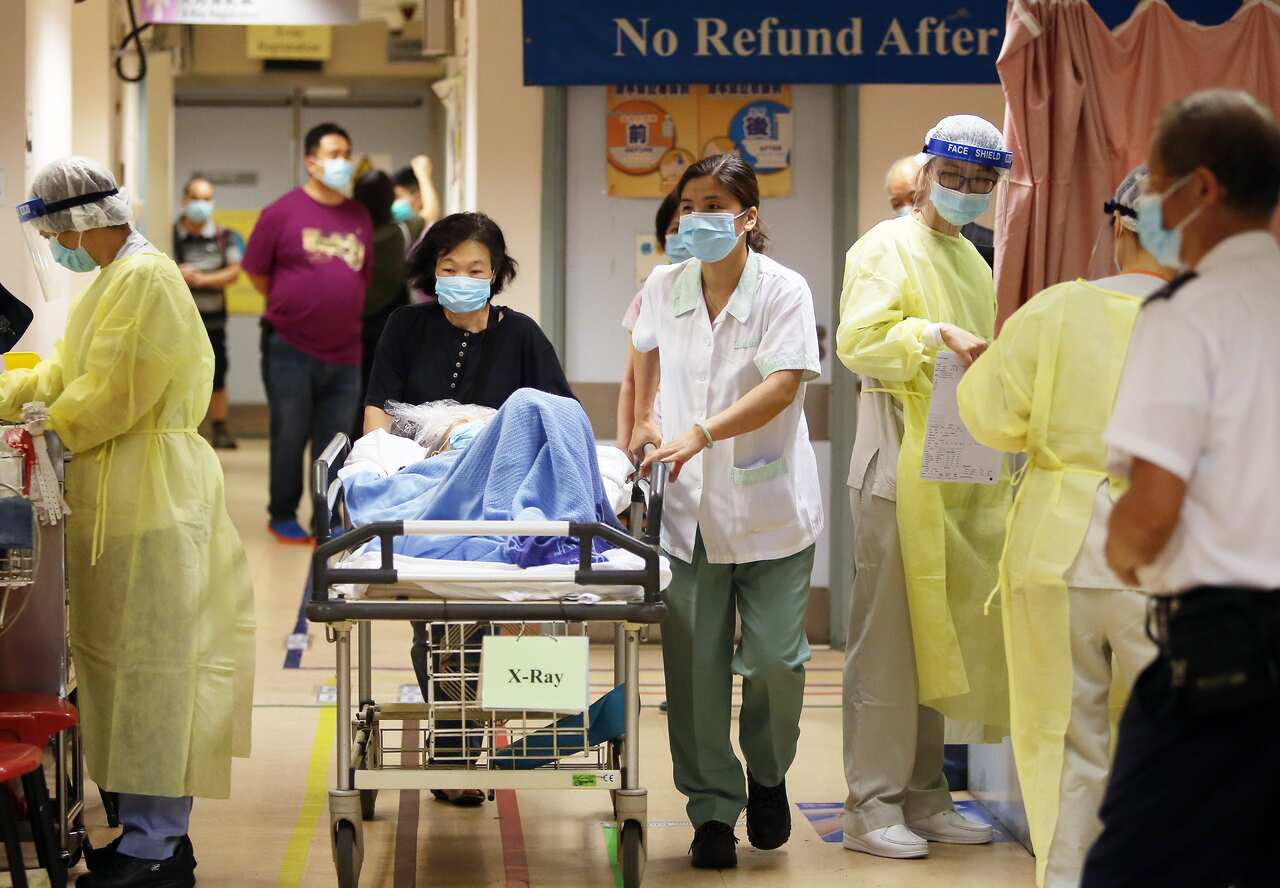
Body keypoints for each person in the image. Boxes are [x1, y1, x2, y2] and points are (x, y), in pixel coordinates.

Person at [10, 157, 255, 888]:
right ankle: (144, 835)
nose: (54, 243)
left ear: (81, 222)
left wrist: (47, 420)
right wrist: (11, 391)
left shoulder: (147, 279)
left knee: (156, 670)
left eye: (56, 229)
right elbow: (62, 374)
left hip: (154, 492)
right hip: (121, 491)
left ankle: (158, 847)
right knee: (121, 666)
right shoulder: (111, 283)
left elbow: (113, 394)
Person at [1080, 90, 1280, 888]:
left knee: (1134, 870)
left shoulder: (1188, 315)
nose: (1147, 207)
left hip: (1223, 659)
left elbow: (1151, 511)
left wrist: (1123, 550)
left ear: (1201, 189)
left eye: (1156, 185)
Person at [955, 166, 1170, 888]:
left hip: (1056, 549)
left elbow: (989, 418)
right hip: (1170, 556)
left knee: (1062, 738)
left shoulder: (1054, 312)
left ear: (1120, 226)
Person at [630, 154, 823, 870]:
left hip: (770, 505)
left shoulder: (783, 290)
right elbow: (643, 354)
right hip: (687, 512)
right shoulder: (664, 285)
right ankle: (712, 810)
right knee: (694, 674)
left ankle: (768, 772)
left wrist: (704, 430)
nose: (695, 217)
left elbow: (782, 386)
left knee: (774, 660)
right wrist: (647, 420)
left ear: (748, 216)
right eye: (688, 205)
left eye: (714, 204)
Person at [836, 115, 1012, 860]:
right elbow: (858, 341)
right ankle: (871, 807)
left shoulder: (973, 261)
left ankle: (926, 795)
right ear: (928, 173)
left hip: (956, 461)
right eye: (958, 177)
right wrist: (933, 337)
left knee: (941, 633)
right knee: (888, 644)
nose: (968, 193)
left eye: (983, 183)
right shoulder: (884, 247)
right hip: (894, 457)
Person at [363, 210, 572, 805]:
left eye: (474, 268)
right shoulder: (405, 325)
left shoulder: (523, 334)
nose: (460, 277)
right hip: (423, 487)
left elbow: (557, 416)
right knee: (437, 615)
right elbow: (379, 408)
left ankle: (456, 749)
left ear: (496, 273)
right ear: (432, 270)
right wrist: (387, 465)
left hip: (499, 496)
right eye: (448, 266)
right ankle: (457, 748)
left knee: (472, 620)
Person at [242, 122, 373, 544]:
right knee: (290, 432)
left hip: (346, 349)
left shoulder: (359, 216)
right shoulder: (281, 213)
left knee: (335, 440)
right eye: (334, 153)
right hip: (289, 346)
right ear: (311, 162)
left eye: (347, 153)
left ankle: (325, 519)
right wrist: (294, 306)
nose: (343, 162)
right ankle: (281, 513)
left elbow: (362, 276)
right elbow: (257, 273)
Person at [351, 169, 426, 437]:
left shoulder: (350, 236)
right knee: (385, 398)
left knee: (352, 401)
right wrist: (425, 175)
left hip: (352, 328)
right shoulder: (404, 230)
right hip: (391, 326)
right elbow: (431, 214)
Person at [171, 175, 244, 450]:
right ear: (184, 200)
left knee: (217, 374)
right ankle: (182, 428)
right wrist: (177, 273)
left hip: (213, 321)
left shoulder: (226, 236)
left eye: (206, 198)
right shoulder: (169, 234)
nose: (201, 204)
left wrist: (200, 280)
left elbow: (234, 272)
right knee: (178, 375)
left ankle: (220, 427)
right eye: (196, 198)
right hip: (179, 322)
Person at [616, 190, 686, 451]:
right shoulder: (650, 295)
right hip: (661, 431)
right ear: (663, 239)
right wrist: (624, 447)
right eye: (676, 228)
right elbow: (632, 380)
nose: (685, 235)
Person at [886, 154, 995, 269]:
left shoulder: (988, 245)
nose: (906, 209)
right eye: (897, 204)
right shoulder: (891, 243)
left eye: (913, 197)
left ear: (933, 186)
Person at [391, 153, 443, 227]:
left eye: (398, 196)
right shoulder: (400, 227)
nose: (395, 202)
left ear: (419, 196)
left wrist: (423, 175)